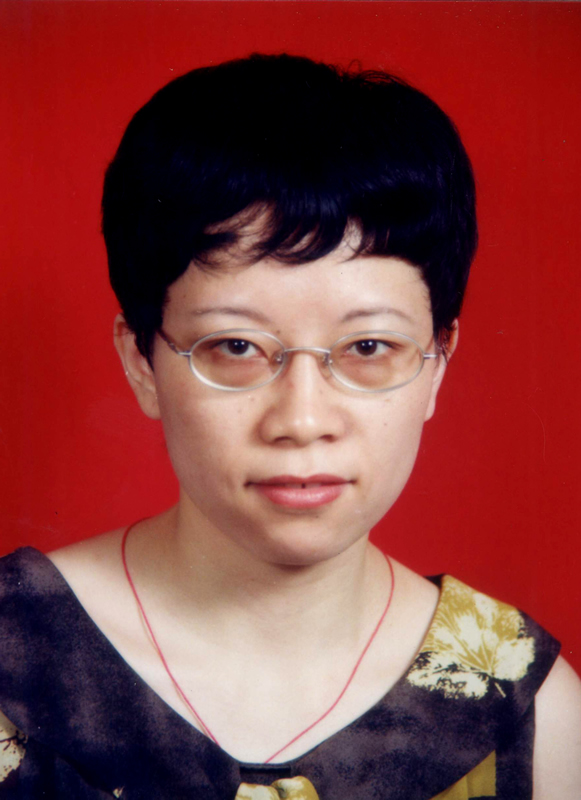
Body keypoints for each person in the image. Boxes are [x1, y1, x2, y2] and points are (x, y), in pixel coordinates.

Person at [0, 53, 579, 800]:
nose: (302, 421)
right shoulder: (12, 654)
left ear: (437, 363)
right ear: (141, 361)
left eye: (368, 348)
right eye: (236, 347)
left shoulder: (529, 710)